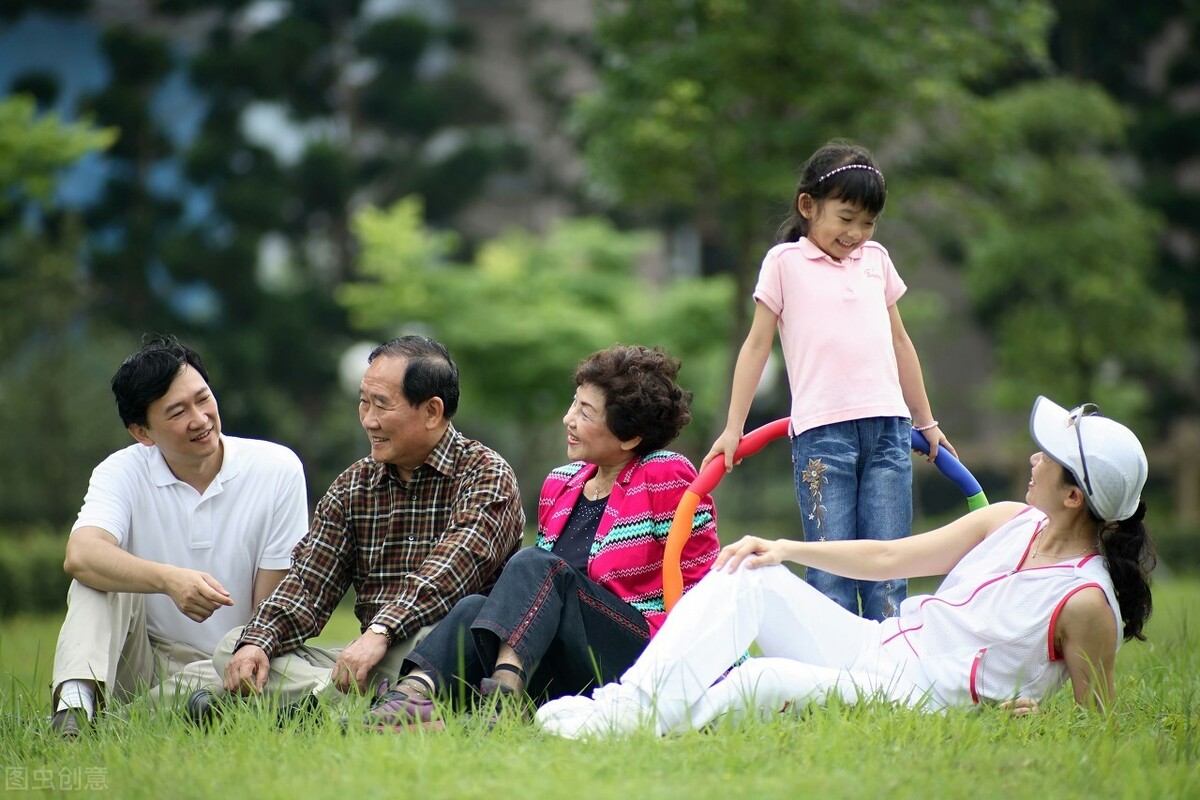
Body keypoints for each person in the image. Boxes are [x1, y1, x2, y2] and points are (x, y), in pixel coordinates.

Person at [539, 396, 1154, 738]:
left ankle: (628, 726)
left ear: (1076, 496)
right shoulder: (1010, 519)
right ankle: (623, 713)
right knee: (747, 573)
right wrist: (784, 550)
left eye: (1046, 457)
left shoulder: (1084, 601)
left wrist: (1038, 716)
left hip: (922, 698)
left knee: (760, 681)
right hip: (882, 646)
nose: (1032, 459)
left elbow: (1097, 722)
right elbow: (891, 557)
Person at [364, 345, 720, 730]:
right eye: (573, 403)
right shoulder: (560, 484)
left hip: (643, 654)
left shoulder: (665, 474)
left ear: (630, 435)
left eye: (585, 412)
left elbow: (703, 583)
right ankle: (410, 699)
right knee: (474, 607)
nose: (568, 419)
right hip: (570, 662)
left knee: (537, 564)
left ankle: (504, 697)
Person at [703, 139, 954, 621]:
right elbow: (756, 346)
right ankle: (832, 677)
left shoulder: (877, 261)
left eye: (868, 222)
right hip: (823, 439)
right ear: (808, 206)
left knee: (887, 566)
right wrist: (734, 427)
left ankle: (890, 675)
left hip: (888, 433)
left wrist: (925, 421)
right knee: (829, 569)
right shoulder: (783, 263)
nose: (857, 233)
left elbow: (901, 343)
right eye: (846, 218)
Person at [214, 335, 525, 711]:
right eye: (364, 401)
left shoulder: (486, 475)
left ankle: (301, 704)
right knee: (234, 645)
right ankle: (358, 705)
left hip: (444, 654)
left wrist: (381, 629)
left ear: (432, 411)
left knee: (431, 642)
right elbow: (308, 584)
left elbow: (452, 571)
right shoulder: (353, 485)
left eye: (382, 405)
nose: (369, 420)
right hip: (368, 661)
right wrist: (259, 641)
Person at [48, 334, 309, 736]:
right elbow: (80, 555)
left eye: (203, 399)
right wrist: (170, 580)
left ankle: (169, 713)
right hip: (141, 664)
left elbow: (272, 607)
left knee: (303, 670)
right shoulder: (121, 472)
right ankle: (72, 714)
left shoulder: (277, 469)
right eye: (177, 412)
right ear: (143, 432)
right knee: (94, 579)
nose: (200, 419)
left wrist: (243, 658)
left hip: (232, 662)